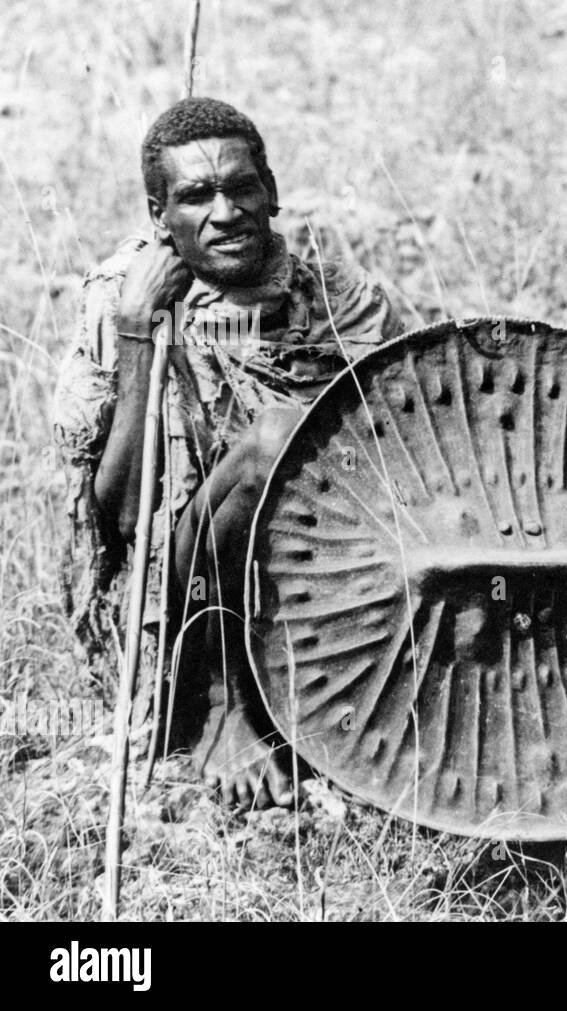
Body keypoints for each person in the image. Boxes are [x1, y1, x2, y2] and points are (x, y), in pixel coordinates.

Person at [53, 97, 401, 809]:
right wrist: (136, 337)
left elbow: (409, 455)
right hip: (180, 596)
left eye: (241, 187)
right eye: (195, 195)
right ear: (159, 216)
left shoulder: (341, 301)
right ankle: (220, 707)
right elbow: (121, 523)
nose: (226, 211)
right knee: (274, 441)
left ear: (270, 192)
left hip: (324, 575)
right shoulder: (120, 301)